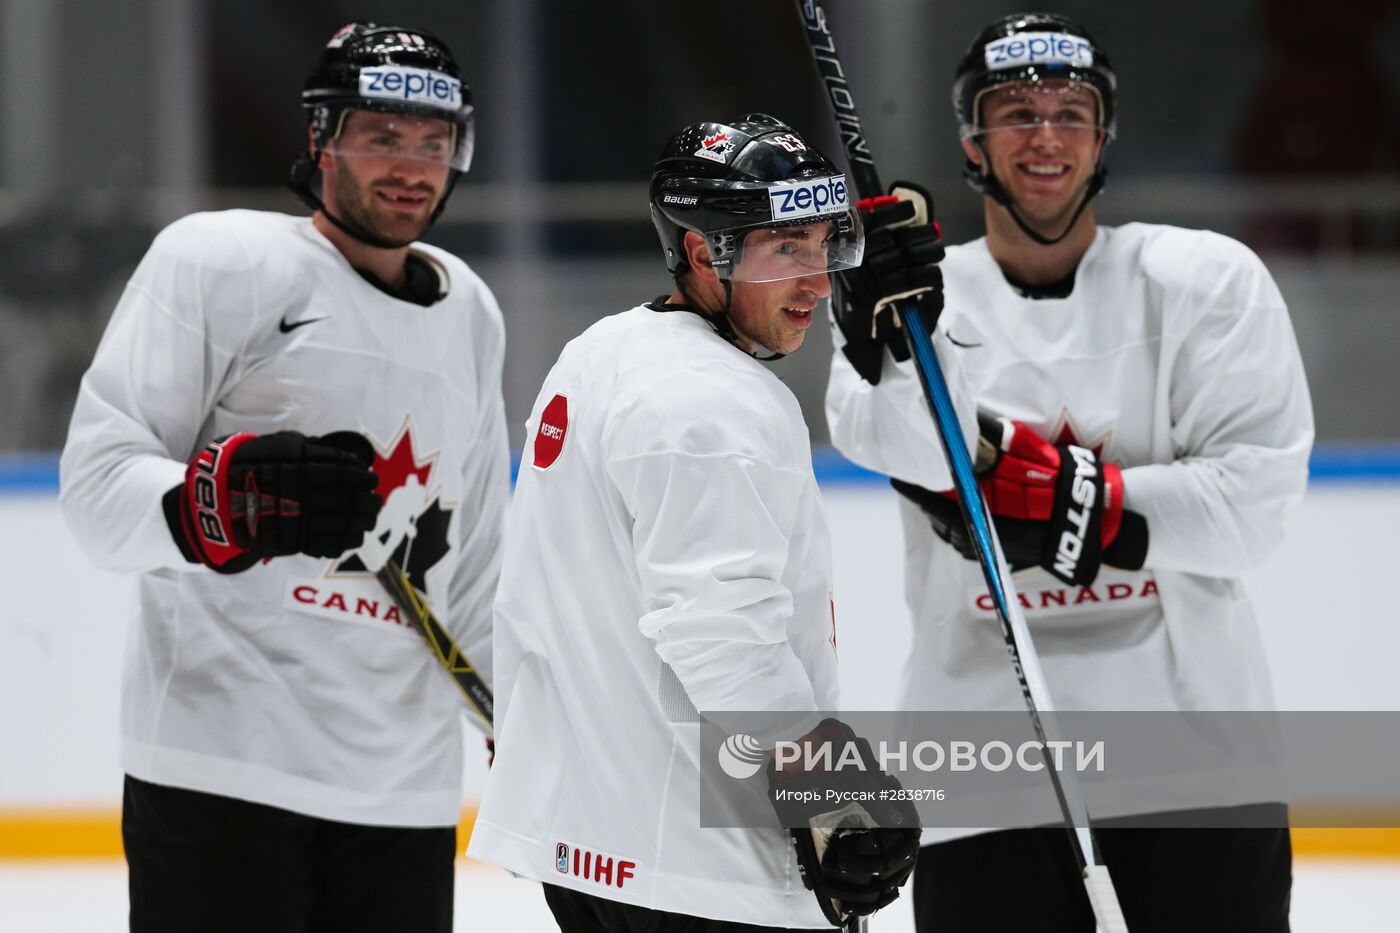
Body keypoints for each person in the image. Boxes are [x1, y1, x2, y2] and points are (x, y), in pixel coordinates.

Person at [827, 12, 1313, 933]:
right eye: (1014, 111)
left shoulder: (1209, 280)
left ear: (1103, 137)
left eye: (1070, 111)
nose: (1044, 135)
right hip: (985, 776)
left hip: (1200, 766)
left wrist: (1030, 489)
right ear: (972, 139)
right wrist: (888, 341)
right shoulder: (924, 297)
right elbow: (881, 439)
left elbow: (1251, 509)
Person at [59, 22, 508, 933]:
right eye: (381, 136)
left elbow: (480, 554)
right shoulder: (218, 261)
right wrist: (216, 506)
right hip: (223, 763)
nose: (412, 165)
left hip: (403, 792)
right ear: (321, 141)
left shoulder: (471, 308)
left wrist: (521, 715)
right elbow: (99, 492)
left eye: (434, 141)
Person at [467, 114, 921, 931]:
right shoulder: (713, 400)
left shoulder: (600, 352)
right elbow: (721, 630)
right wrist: (832, 789)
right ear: (703, 249)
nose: (819, 281)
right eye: (786, 249)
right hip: (697, 865)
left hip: (595, 844)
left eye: (826, 243)